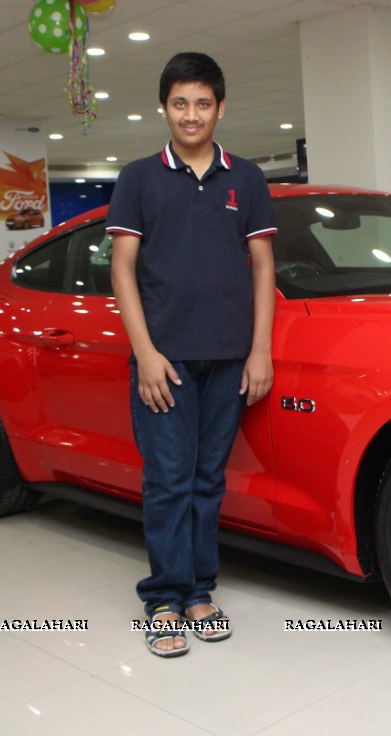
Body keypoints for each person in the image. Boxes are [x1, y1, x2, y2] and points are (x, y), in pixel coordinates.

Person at [106, 52, 277, 659]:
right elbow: (122, 270)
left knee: (208, 481)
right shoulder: (139, 178)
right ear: (164, 108)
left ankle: (200, 590)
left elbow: (262, 266)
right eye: (180, 103)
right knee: (169, 482)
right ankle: (163, 599)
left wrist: (260, 351)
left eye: (203, 103)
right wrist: (145, 353)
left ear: (220, 108)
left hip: (229, 358)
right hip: (167, 361)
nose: (191, 114)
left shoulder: (246, 178)